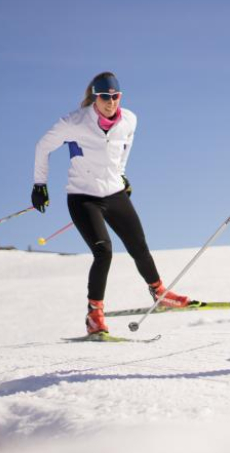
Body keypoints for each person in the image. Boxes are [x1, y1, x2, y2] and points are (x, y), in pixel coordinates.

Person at [33, 72, 193, 335]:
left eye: (115, 96)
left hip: (114, 193)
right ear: (95, 97)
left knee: (139, 246)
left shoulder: (129, 119)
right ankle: (94, 315)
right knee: (103, 251)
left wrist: (121, 174)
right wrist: (39, 184)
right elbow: (42, 147)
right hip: (83, 197)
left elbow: (124, 148)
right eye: (105, 97)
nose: (110, 102)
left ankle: (160, 294)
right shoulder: (74, 122)